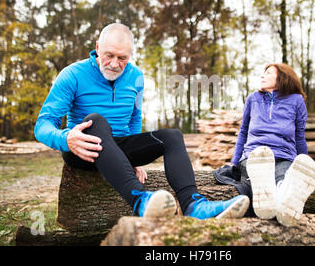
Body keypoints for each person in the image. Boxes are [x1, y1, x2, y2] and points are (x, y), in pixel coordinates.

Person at [34, 23, 249, 220]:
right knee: (96, 121)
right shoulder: (72, 74)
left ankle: (195, 206)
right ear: (97, 47)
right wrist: (66, 138)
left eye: (122, 58)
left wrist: (133, 161)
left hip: (119, 147)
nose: (115, 64)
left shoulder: (136, 76)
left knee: (172, 136)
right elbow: (43, 124)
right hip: (83, 149)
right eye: (109, 55)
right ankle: (141, 200)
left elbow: (135, 116)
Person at [231, 63, 315, 226]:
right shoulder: (253, 98)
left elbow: (299, 137)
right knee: (263, 174)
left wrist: (306, 170)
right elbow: (243, 132)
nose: (262, 76)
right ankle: (282, 200)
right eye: (263, 73)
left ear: (283, 77)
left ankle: (283, 201)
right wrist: (234, 163)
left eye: (268, 73)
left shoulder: (297, 101)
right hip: (254, 156)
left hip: (284, 156)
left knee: (282, 178)